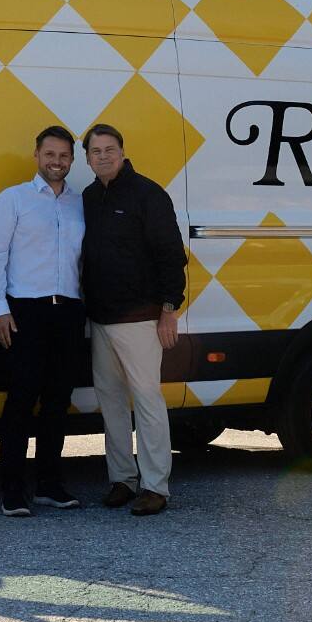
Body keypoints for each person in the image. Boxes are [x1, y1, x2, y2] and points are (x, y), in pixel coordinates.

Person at [80, 123, 187, 516]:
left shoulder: (148, 194)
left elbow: (171, 255)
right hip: (101, 321)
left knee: (146, 401)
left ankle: (156, 485)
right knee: (110, 403)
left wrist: (169, 310)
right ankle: (122, 479)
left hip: (141, 319)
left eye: (109, 149)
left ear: (123, 152)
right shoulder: (90, 197)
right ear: (87, 158)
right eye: (95, 151)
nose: (103, 156)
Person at [0, 125, 86, 517]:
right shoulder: (14, 200)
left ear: (72, 161)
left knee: (59, 401)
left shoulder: (80, 203)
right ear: (37, 156)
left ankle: (49, 485)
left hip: (70, 311)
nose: (56, 162)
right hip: (25, 311)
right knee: (21, 402)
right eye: (50, 155)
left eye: (63, 156)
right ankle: (12, 490)